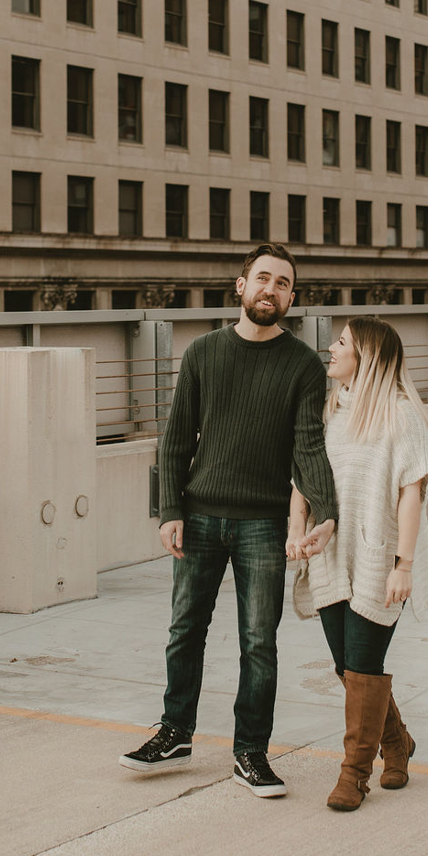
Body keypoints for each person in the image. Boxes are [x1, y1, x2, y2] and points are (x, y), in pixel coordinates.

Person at [120, 243, 339, 798]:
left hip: (263, 525)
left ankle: (251, 753)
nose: (271, 290)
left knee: (258, 641)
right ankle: (175, 732)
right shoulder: (203, 353)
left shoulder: (303, 366)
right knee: (184, 632)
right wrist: (171, 509)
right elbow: (175, 441)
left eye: (283, 284)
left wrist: (327, 510)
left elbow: (308, 448)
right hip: (199, 516)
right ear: (240, 287)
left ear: (292, 297)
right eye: (262, 279)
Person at [290, 315, 428, 812]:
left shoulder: (401, 416)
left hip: (378, 558)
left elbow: (411, 493)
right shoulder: (331, 410)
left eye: (342, 342)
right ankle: (397, 743)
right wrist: (298, 531)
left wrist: (405, 564)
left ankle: (354, 773)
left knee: (364, 664)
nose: (330, 348)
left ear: (367, 356)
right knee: (347, 665)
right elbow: (303, 480)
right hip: (332, 555)